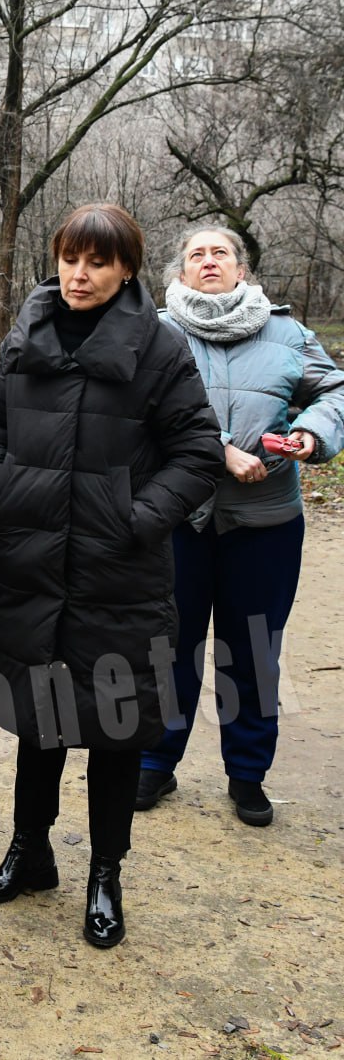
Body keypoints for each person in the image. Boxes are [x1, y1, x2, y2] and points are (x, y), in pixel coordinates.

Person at [0, 203, 223, 949]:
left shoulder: (160, 347)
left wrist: (136, 518)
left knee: (115, 728)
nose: (79, 275)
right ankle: (29, 853)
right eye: (71, 258)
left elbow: (199, 452)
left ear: (127, 270)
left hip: (119, 576)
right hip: (33, 565)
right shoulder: (26, 334)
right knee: (38, 723)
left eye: (98, 263)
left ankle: (105, 873)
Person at [136, 228, 344, 826]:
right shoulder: (156, 331)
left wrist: (312, 433)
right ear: (182, 269)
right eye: (196, 254)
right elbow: (142, 410)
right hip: (179, 515)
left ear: (241, 268)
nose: (208, 262)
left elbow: (334, 392)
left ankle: (247, 774)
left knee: (252, 651)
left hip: (266, 521)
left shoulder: (287, 332)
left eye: (219, 253)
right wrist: (220, 449)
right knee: (168, 647)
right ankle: (155, 762)